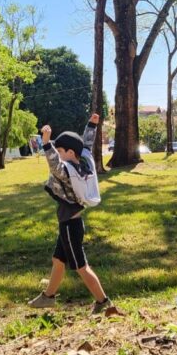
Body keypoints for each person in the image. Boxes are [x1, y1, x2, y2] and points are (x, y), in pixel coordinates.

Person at [28, 112, 115, 315]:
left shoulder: (68, 171)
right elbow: (86, 144)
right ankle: (48, 297)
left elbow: (54, 165)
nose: (58, 155)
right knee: (58, 261)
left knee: (81, 267)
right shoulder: (83, 161)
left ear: (68, 152)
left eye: (60, 151)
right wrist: (91, 126)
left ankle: (103, 301)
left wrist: (47, 143)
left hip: (70, 226)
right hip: (70, 224)